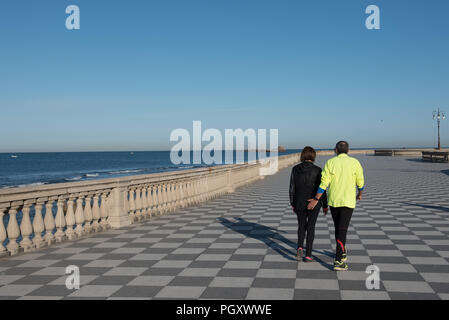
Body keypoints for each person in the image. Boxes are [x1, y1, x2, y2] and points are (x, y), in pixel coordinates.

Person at [307, 141, 365, 271]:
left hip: (334, 201)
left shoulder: (330, 163)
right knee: (342, 229)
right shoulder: (355, 162)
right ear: (348, 150)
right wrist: (360, 194)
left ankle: (342, 251)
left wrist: (317, 198)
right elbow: (360, 182)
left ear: (336, 150)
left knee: (338, 228)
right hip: (348, 201)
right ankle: (338, 261)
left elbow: (323, 184)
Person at [289, 146, 328, 262]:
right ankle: (308, 254)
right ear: (313, 156)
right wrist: (325, 205)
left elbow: (292, 188)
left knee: (301, 225)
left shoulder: (295, 169)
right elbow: (322, 189)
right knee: (311, 226)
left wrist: (292, 203)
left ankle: (300, 246)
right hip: (314, 203)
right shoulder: (318, 170)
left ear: (303, 156)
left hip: (299, 202)